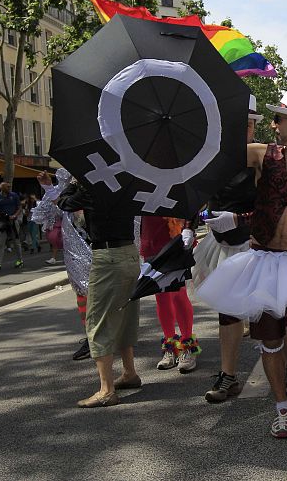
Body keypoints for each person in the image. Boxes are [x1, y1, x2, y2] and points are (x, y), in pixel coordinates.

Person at [197, 88, 287, 438]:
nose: (273, 125)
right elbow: (213, 155)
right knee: (270, 342)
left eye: (279, 118)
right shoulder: (262, 155)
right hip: (264, 261)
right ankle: (280, 409)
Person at [191, 94, 262, 394]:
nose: (241, 130)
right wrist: (203, 217)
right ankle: (228, 375)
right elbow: (201, 199)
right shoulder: (212, 157)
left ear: (253, 127)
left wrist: (240, 219)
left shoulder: (260, 157)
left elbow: (275, 207)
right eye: (236, 124)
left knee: (266, 312)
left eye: (247, 125)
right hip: (221, 246)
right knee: (228, 312)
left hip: (256, 245)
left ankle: (283, 370)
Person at [58, 180, 140, 408]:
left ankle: (106, 390)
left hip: (108, 257)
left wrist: (74, 183)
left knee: (97, 322)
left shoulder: (94, 184)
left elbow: (65, 203)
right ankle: (129, 373)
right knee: (125, 317)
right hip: (130, 253)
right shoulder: (127, 180)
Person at [34, 169, 94, 361]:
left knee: (105, 294)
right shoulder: (67, 179)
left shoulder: (100, 175)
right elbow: (53, 209)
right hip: (76, 247)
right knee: (82, 293)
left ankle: (108, 337)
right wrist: (48, 187)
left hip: (101, 243)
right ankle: (91, 338)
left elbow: (66, 203)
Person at [141, 216, 200, 373]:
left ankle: (187, 346)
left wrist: (188, 228)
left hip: (174, 238)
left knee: (178, 293)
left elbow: (191, 204)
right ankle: (170, 346)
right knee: (161, 296)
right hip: (152, 239)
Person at [0, 182, 23, 270]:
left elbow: (19, 207)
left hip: (13, 222)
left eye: (9, 187)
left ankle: (20, 260)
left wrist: (15, 215)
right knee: (1, 243)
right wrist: (2, 215)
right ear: (2, 188)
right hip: (3, 222)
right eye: (7, 187)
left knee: (16, 242)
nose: (9, 188)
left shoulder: (14, 195)